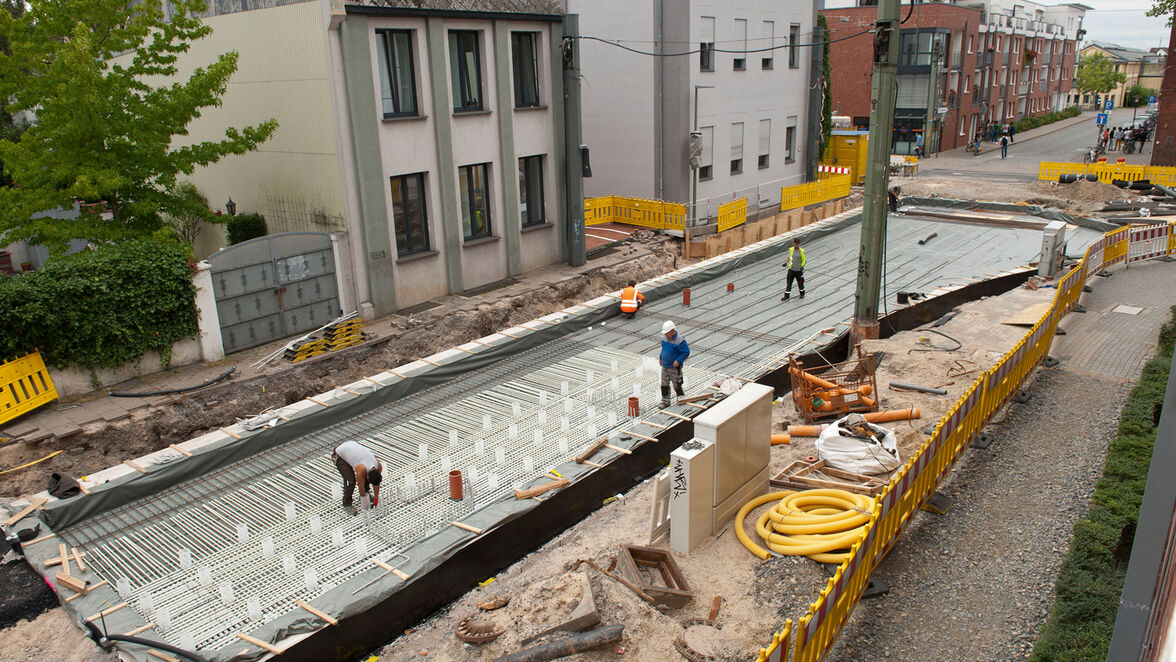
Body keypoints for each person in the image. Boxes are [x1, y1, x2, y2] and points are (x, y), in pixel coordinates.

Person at [333, 440, 382, 514]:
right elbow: (360, 486)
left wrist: (376, 498)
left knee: (364, 477)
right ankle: (347, 504)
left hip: (351, 448)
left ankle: (367, 493)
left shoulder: (378, 466)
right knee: (351, 481)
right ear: (368, 477)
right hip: (339, 455)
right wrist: (365, 502)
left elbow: (377, 482)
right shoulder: (361, 469)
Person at [658, 320, 690, 408]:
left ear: (672, 331)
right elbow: (663, 350)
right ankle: (665, 402)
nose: (665, 335)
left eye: (667, 333)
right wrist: (661, 358)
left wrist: (678, 360)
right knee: (664, 384)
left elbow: (686, 352)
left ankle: (681, 400)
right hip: (665, 366)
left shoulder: (680, 340)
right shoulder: (665, 339)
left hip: (674, 368)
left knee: (677, 385)